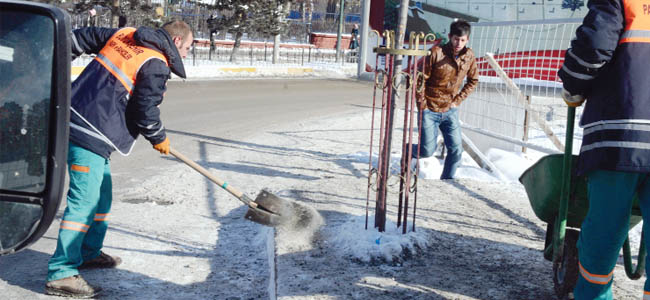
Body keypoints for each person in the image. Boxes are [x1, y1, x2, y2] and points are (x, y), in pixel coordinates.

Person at [45, 20, 193, 298]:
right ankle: (61, 272)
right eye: (187, 47)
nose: (186, 54)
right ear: (175, 42)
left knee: (101, 197)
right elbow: (144, 109)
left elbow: (75, 41)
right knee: (84, 203)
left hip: (80, 123)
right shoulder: (155, 63)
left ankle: (88, 251)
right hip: (88, 133)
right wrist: (158, 137)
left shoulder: (125, 35)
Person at [558, 1, 650, 299]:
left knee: (604, 230)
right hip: (622, 134)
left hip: (620, 133)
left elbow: (595, 44)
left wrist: (573, 83)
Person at [413, 19, 478, 179]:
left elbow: (473, 80)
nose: (458, 43)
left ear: (467, 40)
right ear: (450, 36)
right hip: (429, 109)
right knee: (427, 150)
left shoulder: (469, 56)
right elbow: (420, 79)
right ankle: (408, 151)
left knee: (456, 150)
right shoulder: (436, 52)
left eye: (462, 40)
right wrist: (422, 105)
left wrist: (458, 100)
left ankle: (447, 180)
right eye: (456, 39)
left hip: (450, 110)